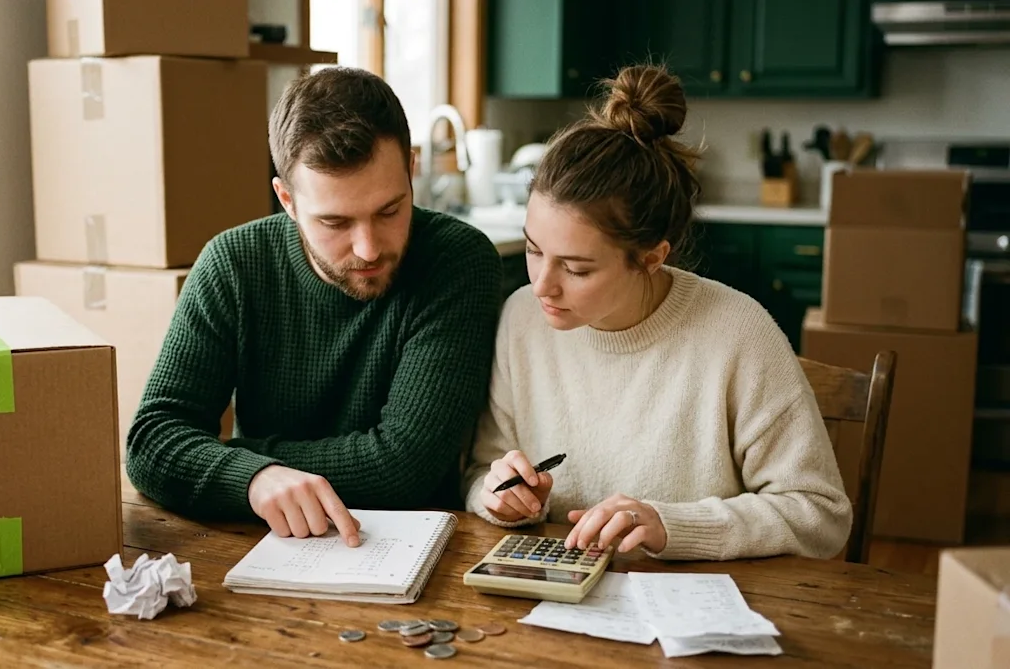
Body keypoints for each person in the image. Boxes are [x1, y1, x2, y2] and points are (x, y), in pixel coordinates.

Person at [463, 64, 852, 561]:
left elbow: (821, 515)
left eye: (577, 269)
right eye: (534, 250)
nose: (541, 285)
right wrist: (503, 498)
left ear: (651, 257)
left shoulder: (739, 333)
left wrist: (673, 526)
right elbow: (480, 473)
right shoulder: (521, 318)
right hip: (557, 604)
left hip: (696, 611)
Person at [128, 67, 504, 548]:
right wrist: (254, 479)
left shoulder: (458, 260)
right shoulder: (234, 263)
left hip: (415, 553)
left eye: (389, 211)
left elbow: (404, 467)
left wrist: (234, 458)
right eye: (335, 221)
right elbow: (152, 441)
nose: (368, 248)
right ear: (286, 198)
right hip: (264, 548)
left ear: (411, 171)